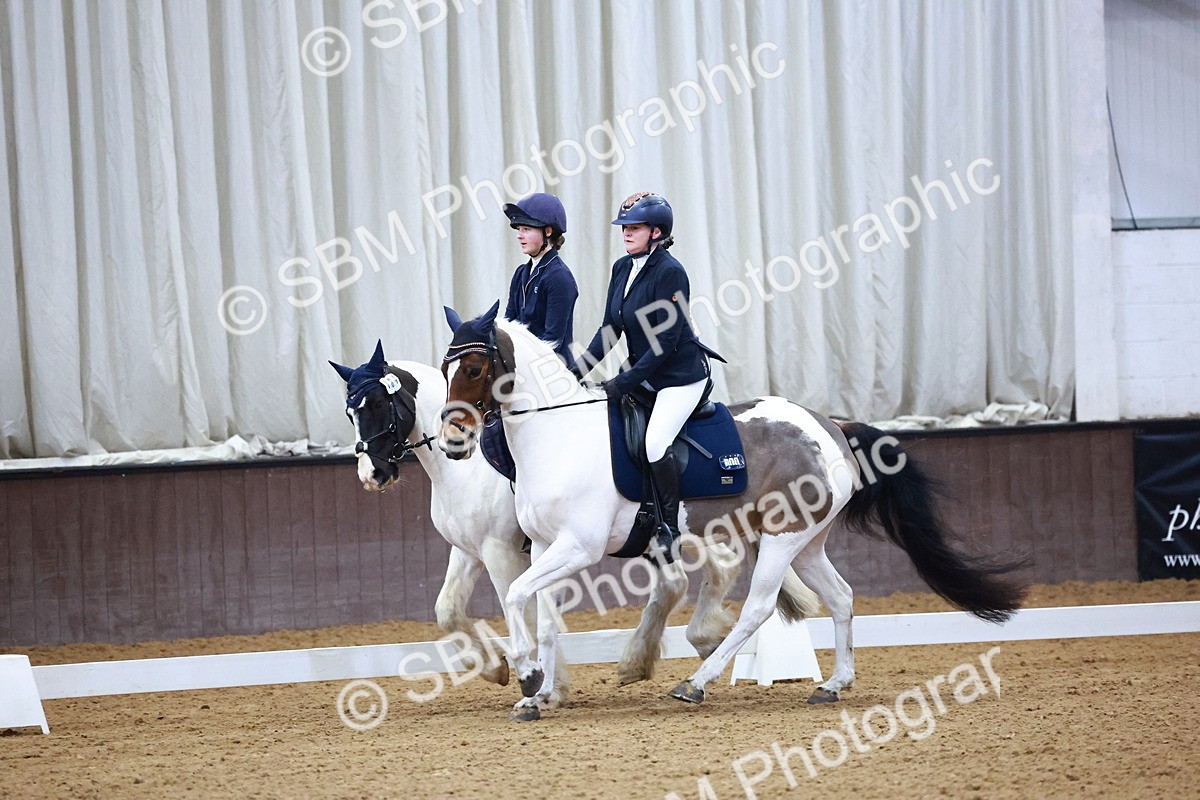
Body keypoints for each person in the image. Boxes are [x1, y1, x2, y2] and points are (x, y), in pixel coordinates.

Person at [574, 192, 724, 561]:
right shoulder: (622, 269)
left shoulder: (671, 272)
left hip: (679, 376)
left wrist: (622, 382)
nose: (626, 233)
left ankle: (669, 528)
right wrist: (574, 372)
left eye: (635, 227)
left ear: (657, 232)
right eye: (624, 227)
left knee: (655, 442)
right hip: (644, 373)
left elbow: (666, 343)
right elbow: (610, 329)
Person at [502, 193, 578, 370]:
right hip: (523, 369)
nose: (519, 236)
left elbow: (551, 341)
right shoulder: (520, 273)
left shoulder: (559, 277)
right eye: (518, 229)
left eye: (526, 229)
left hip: (553, 373)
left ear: (548, 231)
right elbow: (509, 325)